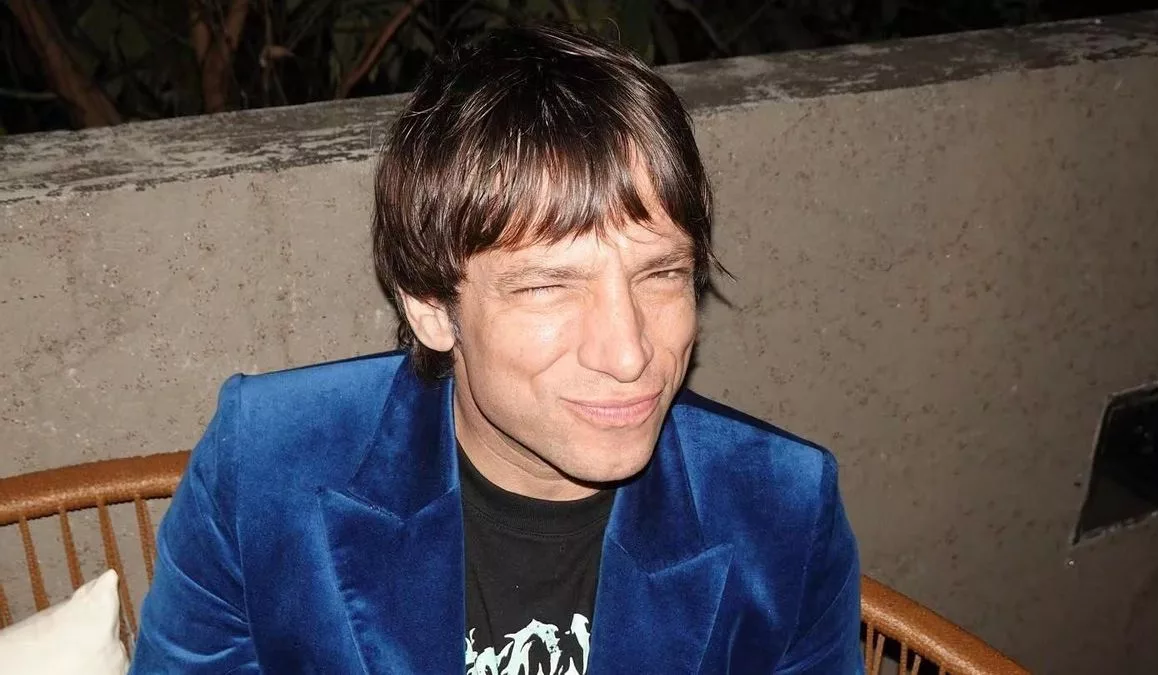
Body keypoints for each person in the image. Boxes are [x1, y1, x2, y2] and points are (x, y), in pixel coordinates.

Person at [130, 23, 861, 675]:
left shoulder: (782, 510)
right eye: (547, 287)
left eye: (660, 273)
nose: (629, 354)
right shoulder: (265, 466)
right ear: (431, 309)